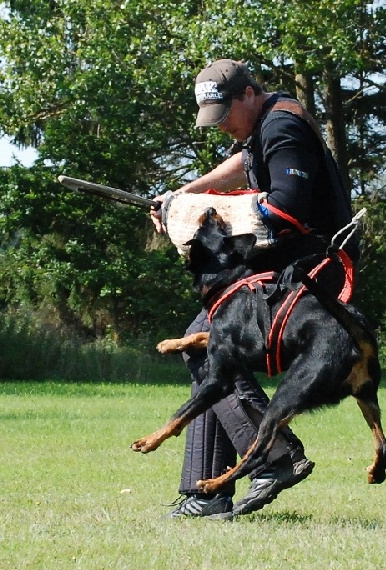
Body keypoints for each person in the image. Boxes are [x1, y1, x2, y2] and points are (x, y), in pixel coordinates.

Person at [151, 59, 357, 518]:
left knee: (206, 342)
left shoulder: (282, 126)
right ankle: (206, 494)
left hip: (313, 272)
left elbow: (285, 208)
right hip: (289, 268)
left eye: (225, 114)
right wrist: (182, 197)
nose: (222, 126)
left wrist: (197, 216)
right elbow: (243, 166)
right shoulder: (263, 127)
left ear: (248, 94)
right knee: (204, 342)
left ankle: (273, 453)